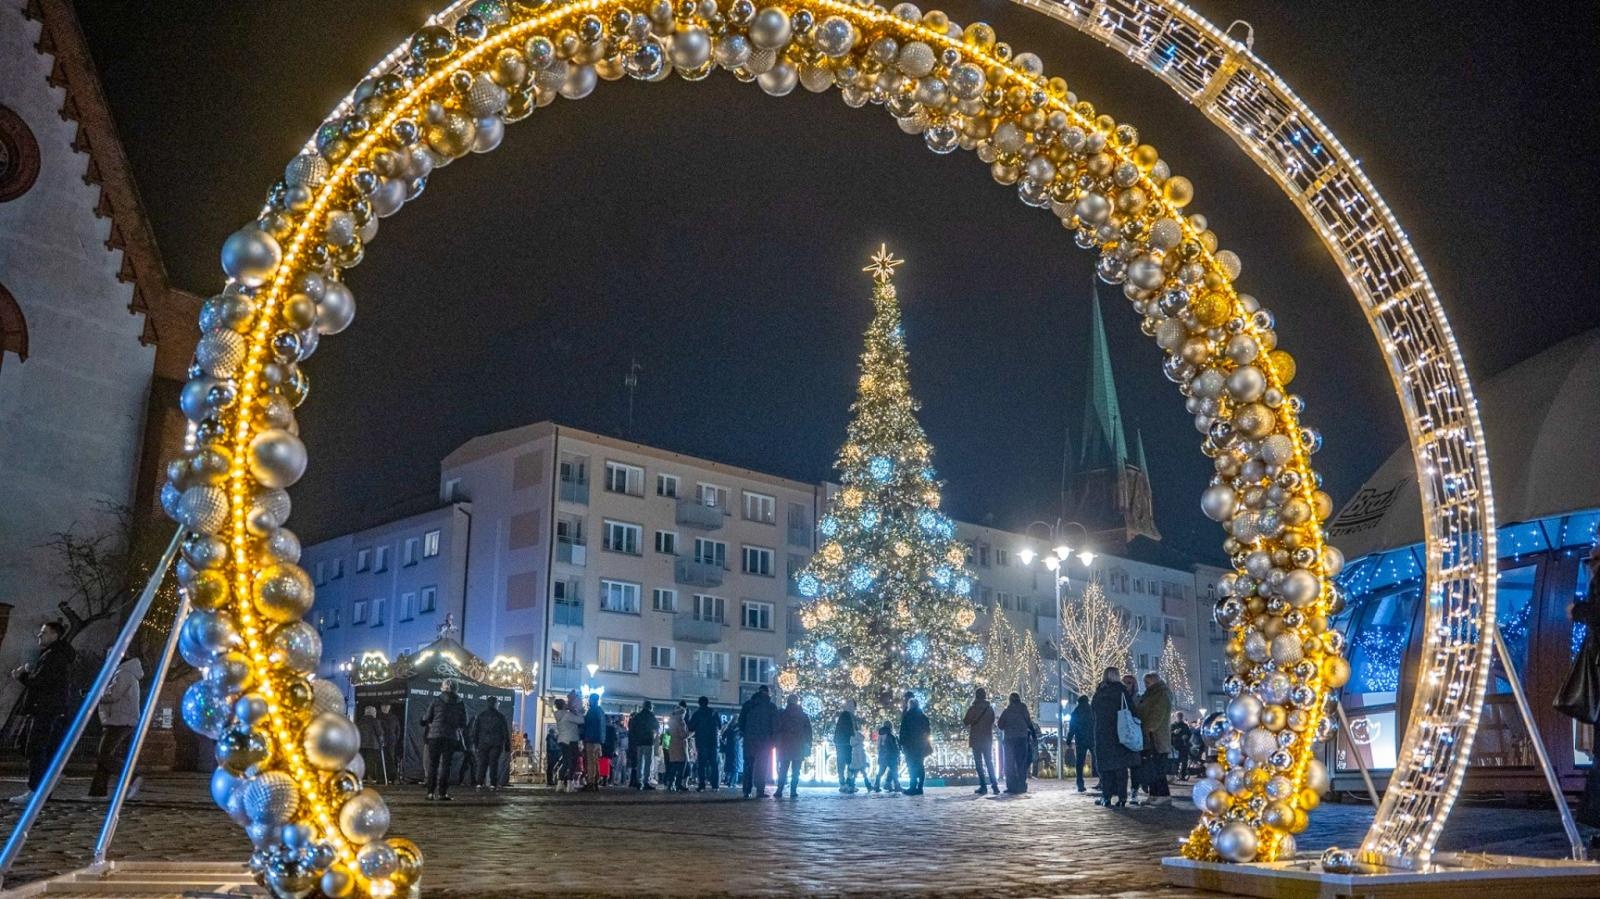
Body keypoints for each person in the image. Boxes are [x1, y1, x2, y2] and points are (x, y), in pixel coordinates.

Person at [9, 621, 77, 804]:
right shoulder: (54, 655)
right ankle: (47, 784)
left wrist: (21, 676)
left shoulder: (53, 656)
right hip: (51, 708)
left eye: (44, 632)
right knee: (38, 747)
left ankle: (35, 790)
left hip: (45, 709)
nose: (39, 636)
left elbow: (42, 683)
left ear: (55, 635)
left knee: (35, 747)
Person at [88, 653, 144, 798]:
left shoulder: (123, 673)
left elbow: (112, 695)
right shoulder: (125, 672)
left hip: (119, 720)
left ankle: (133, 776)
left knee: (104, 756)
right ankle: (97, 793)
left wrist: (94, 695)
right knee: (104, 758)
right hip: (119, 719)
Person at [1091, 668, 1139, 808]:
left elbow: (1093, 710)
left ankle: (1106, 796)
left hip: (1103, 734)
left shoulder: (1100, 692)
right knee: (1120, 768)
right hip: (1120, 733)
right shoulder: (1121, 691)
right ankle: (1122, 797)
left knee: (1106, 768)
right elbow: (1132, 710)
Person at [420, 679, 468, 800]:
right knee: (446, 765)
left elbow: (426, 718)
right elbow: (464, 722)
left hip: (434, 737)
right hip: (450, 736)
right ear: (456, 688)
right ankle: (443, 793)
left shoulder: (436, 700)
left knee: (433, 764)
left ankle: (430, 793)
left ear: (443, 687)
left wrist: (427, 721)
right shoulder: (460, 702)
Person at [1134, 671, 1173, 806]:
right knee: (1151, 767)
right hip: (1148, 736)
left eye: (1148, 682)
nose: (1146, 685)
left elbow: (1158, 713)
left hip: (1156, 737)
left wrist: (1149, 727)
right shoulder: (1150, 694)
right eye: (1145, 682)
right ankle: (1154, 794)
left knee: (1158, 767)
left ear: (1155, 681)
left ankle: (1163, 794)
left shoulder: (1161, 694)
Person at [737, 684, 778, 798]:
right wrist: (774, 739)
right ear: (767, 693)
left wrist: (744, 733)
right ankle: (760, 790)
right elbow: (774, 725)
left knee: (748, 765)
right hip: (765, 741)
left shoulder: (748, 705)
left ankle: (746, 790)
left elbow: (741, 722)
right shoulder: (771, 707)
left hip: (749, 740)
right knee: (762, 766)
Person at [996, 692, 1038, 794]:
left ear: (1010, 700)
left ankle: (1011, 786)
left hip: (1009, 739)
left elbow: (1000, 725)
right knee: (1021, 763)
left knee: (1009, 763)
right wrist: (1033, 734)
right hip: (1022, 739)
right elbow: (1029, 722)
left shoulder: (1007, 711)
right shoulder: (1023, 710)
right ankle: (1021, 785)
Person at [469, 695, 511, 790]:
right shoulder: (500, 717)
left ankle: (479, 783)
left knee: (482, 763)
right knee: (494, 763)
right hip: (496, 743)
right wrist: (507, 745)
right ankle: (493, 784)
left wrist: (475, 743)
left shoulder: (481, 715)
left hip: (482, 743)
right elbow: (505, 731)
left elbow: (476, 731)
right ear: (496, 704)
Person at [775, 694, 813, 798]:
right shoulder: (803, 715)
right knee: (796, 771)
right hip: (798, 747)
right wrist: (808, 743)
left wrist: (776, 741)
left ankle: (779, 790)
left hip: (784, 746)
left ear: (787, 702)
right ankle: (793, 790)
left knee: (783, 769)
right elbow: (808, 732)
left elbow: (777, 728)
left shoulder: (782, 714)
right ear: (797, 702)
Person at [962, 687, 997, 795]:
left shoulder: (973, 708)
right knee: (989, 762)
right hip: (987, 738)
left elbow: (966, 721)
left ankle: (983, 786)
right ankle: (994, 785)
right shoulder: (989, 708)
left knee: (979, 764)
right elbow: (992, 720)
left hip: (976, 738)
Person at [898, 692, 932, 796]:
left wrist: (901, 743)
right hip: (920, 745)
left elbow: (903, 731)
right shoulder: (923, 716)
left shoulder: (907, 716)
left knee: (911, 766)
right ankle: (920, 787)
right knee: (920, 765)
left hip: (910, 746)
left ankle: (913, 786)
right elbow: (928, 731)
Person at [688, 696, 721, 791]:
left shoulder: (697, 714)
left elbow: (691, 727)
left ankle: (702, 785)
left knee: (701, 765)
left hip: (702, 742)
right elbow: (719, 725)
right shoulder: (714, 713)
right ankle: (715, 786)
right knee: (714, 764)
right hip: (713, 742)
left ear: (699, 703)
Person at [555, 692, 585, 793]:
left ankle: (560, 784)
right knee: (572, 762)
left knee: (565, 762)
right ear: (563, 705)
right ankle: (570, 784)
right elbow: (581, 720)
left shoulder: (559, 715)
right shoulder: (567, 715)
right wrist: (574, 710)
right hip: (571, 740)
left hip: (562, 740)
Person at [628, 702, 660, 789]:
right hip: (648, 741)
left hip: (638, 742)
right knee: (648, 762)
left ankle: (639, 781)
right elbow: (657, 727)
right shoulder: (651, 716)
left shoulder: (638, 716)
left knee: (639, 762)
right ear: (650, 707)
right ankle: (646, 781)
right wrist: (654, 735)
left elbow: (632, 728)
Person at [1067, 694, 1094, 793]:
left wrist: (1069, 739)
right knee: (1097, 759)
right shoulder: (1092, 710)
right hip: (1092, 739)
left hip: (1080, 740)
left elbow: (1072, 727)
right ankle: (1103, 780)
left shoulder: (1076, 712)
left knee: (1080, 762)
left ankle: (1080, 783)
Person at [581, 693, 606, 791]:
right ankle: (595, 781)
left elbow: (586, 723)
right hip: (598, 740)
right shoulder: (600, 711)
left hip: (591, 739)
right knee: (596, 762)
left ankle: (591, 782)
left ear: (593, 700)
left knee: (591, 762)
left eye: (590, 700)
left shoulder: (592, 711)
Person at [833, 700, 859, 793]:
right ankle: (846, 784)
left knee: (843, 762)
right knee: (848, 762)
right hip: (846, 743)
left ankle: (845, 783)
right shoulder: (847, 715)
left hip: (842, 742)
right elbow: (851, 730)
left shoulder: (846, 715)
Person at [358, 706, 386, 785]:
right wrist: (382, 742)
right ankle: (371, 778)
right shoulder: (375, 721)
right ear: (371, 712)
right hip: (373, 745)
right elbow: (379, 733)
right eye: (374, 712)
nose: (375, 713)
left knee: (363, 762)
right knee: (372, 762)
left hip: (361, 745)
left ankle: (362, 778)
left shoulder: (360, 721)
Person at [666, 701, 690, 791]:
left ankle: (670, 783)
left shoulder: (672, 721)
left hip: (673, 745)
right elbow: (683, 735)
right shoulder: (681, 722)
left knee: (673, 766)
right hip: (680, 746)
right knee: (681, 767)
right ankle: (678, 784)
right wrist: (691, 734)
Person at [872, 723, 901, 793]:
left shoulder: (881, 735)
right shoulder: (890, 735)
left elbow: (879, 747)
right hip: (890, 756)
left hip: (882, 756)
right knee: (894, 771)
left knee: (881, 771)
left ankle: (877, 785)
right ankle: (896, 786)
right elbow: (893, 747)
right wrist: (897, 753)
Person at [380, 703, 402, 783]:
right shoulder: (379, 717)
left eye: (386, 706)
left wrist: (395, 739)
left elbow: (398, 730)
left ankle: (393, 778)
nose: (385, 708)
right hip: (383, 741)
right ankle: (385, 778)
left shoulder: (394, 718)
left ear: (389, 707)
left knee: (391, 760)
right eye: (383, 706)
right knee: (383, 760)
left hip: (390, 742)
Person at [1170, 712, 1194, 780]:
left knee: (1184, 761)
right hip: (1176, 745)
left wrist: (1186, 736)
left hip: (1184, 745)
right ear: (1176, 717)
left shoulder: (1185, 725)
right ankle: (1176, 774)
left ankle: (1183, 775)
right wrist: (1174, 732)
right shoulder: (1173, 725)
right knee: (1176, 761)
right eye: (1178, 716)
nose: (1180, 718)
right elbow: (1169, 734)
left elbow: (1189, 733)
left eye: (1181, 717)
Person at [720, 719, 742, 788]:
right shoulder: (739, 731)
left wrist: (725, 745)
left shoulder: (728, 730)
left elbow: (722, 737)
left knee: (730, 765)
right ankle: (732, 782)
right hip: (737, 750)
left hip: (729, 749)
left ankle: (729, 781)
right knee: (736, 766)